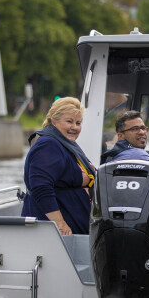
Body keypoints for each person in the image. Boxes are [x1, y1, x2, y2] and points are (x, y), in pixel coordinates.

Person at [21, 97, 95, 235]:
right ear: (54, 121)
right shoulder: (48, 145)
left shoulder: (63, 142)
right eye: (69, 121)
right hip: (54, 236)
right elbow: (41, 187)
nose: (74, 127)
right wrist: (60, 224)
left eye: (78, 123)